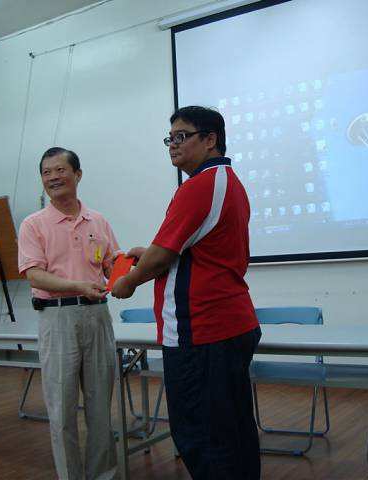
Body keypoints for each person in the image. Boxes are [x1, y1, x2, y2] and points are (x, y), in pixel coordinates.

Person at [111, 106, 262, 479]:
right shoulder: (228, 182)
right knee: (233, 432)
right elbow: (192, 251)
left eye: (182, 136)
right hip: (226, 326)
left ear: (210, 140)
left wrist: (128, 281)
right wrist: (150, 254)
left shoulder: (199, 186)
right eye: (170, 138)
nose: (173, 145)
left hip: (203, 331)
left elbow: (163, 255)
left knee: (202, 438)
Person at [18, 147, 118, 480]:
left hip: (97, 316)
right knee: (61, 409)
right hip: (57, 317)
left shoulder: (98, 221)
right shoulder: (34, 224)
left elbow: (111, 265)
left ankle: (103, 475)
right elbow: (35, 275)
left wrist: (132, 267)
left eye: (60, 170)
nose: (53, 177)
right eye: (46, 173)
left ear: (77, 174)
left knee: (100, 407)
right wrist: (77, 285)